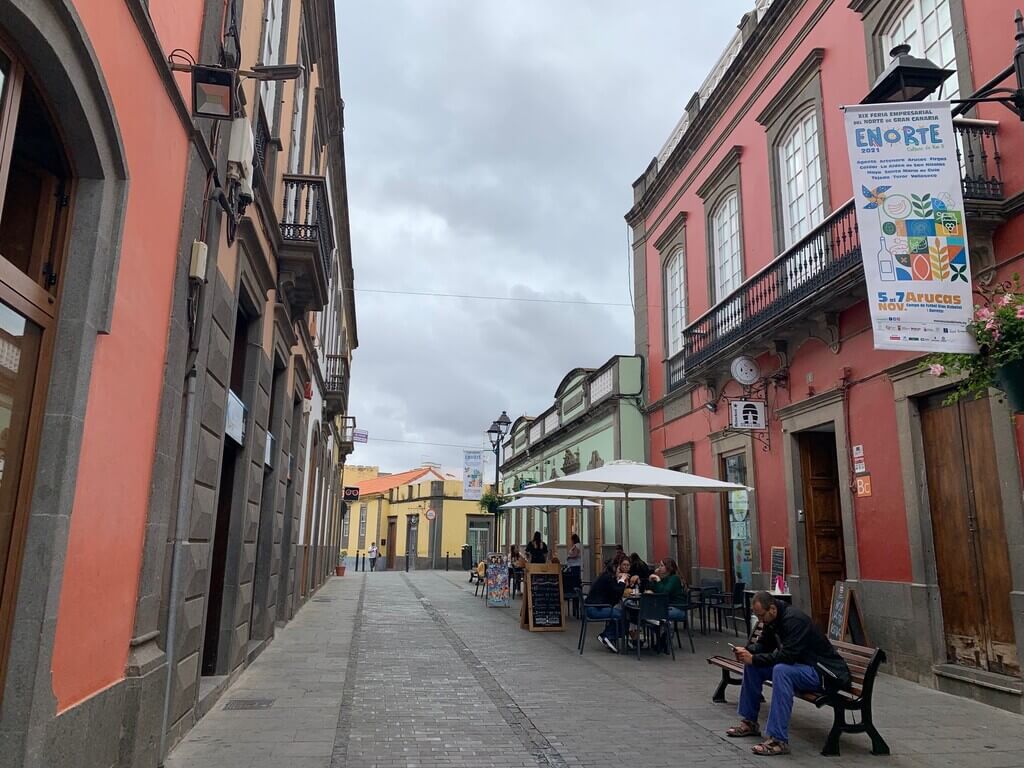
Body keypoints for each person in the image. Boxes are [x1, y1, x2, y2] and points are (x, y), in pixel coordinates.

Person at [725, 592, 851, 756]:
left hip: (821, 672)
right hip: (799, 667)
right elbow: (764, 646)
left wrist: (754, 658)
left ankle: (778, 739)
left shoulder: (794, 620)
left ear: (772, 609)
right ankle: (749, 722)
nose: (760, 621)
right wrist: (746, 651)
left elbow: (788, 656)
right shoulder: (772, 619)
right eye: (757, 616)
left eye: (761, 616)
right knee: (752, 667)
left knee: (781, 670)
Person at [585, 560, 628, 653]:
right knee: (622, 615)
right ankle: (608, 636)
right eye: (618, 569)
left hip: (592, 607)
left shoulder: (605, 576)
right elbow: (617, 592)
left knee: (619, 613)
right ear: (614, 569)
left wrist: (619, 581)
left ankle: (608, 635)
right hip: (595, 609)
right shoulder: (608, 578)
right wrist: (622, 581)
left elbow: (613, 595)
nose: (619, 571)